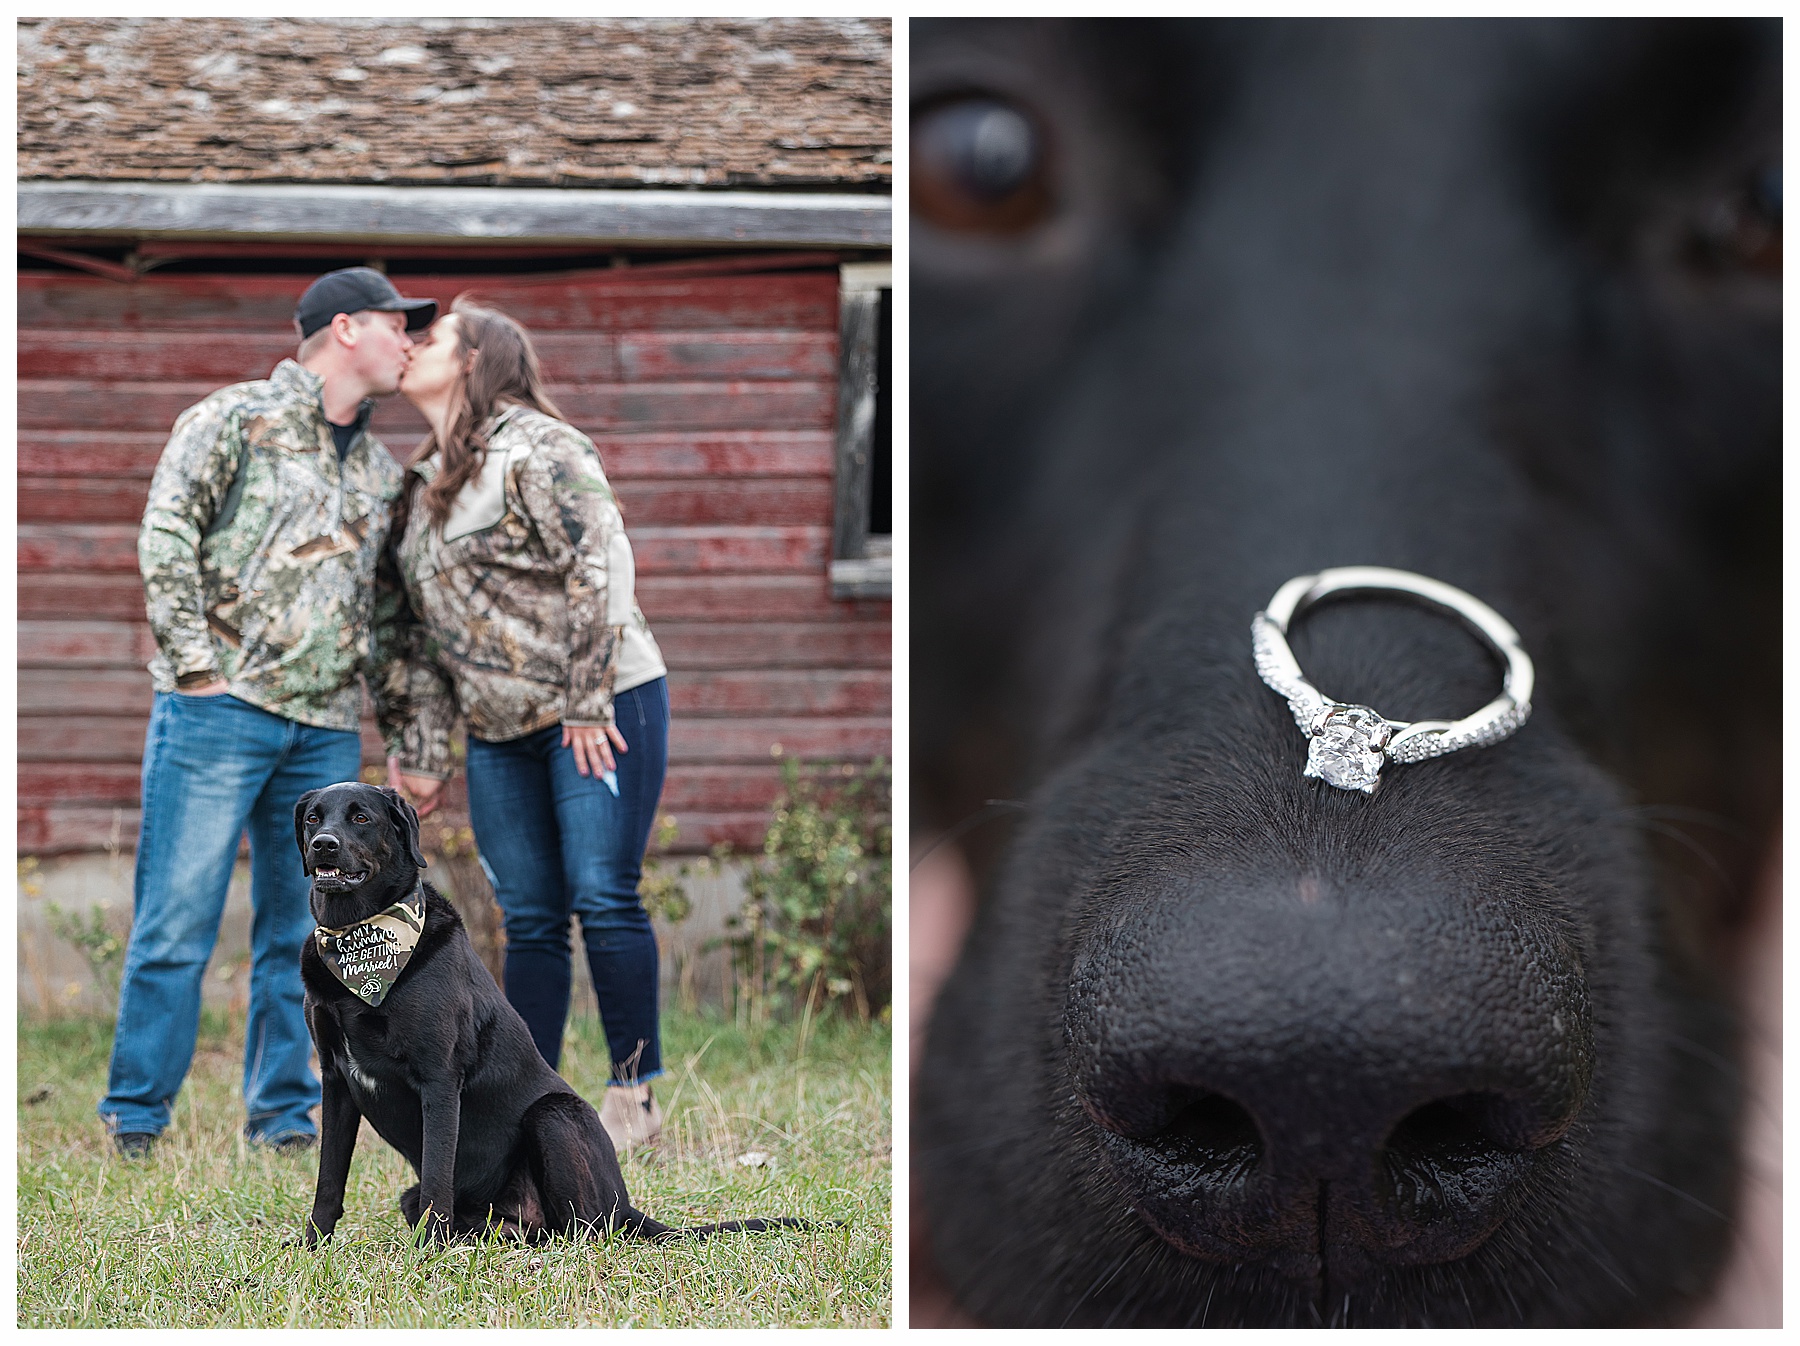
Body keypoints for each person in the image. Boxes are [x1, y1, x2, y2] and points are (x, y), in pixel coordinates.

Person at [99, 268, 437, 1156]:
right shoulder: (231, 419)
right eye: (402, 326)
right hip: (217, 711)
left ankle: (283, 1119)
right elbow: (166, 531)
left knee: (307, 930)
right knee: (177, 921)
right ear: (347, 327)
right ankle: (137, 1118)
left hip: (323, 729)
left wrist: (412, 742)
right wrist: (196, 668)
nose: (412, 343)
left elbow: (394, 619)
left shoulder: (379, 470)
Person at [378, 297, 672, 1153]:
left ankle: (635, 1096)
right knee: (531, 914)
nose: (412, 347)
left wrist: (587, 699)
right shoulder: (421, 479)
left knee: (603, 895)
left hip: (600, 706)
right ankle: (527, 1097)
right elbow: (423, 637)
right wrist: (427, 756)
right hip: (498, 729)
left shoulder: (540, 445)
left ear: (473, 359)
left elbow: (600, 559)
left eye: (430, 338)